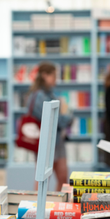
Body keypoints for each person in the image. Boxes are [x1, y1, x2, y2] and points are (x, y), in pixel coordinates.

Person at [28, 62, 73, 191]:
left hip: (56, 141)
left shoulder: (48, 94)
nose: (55, 79)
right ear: (44, 75)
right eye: (53, 75)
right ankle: (38, 208)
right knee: (43, 180)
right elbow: (53, 120)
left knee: (63, 177)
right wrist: (68, 117)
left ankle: (57, 206)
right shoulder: (39, 96)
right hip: (46, 142)